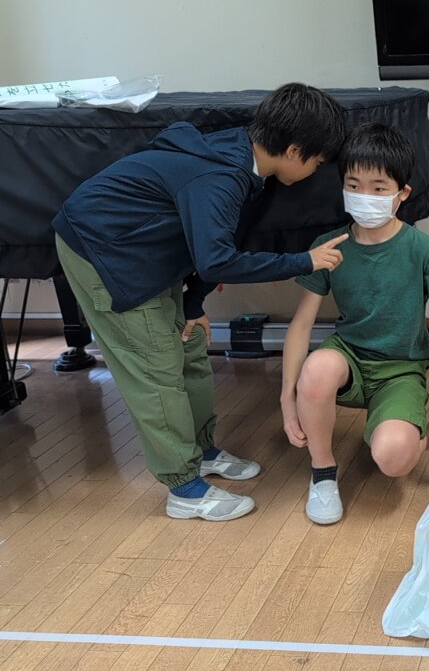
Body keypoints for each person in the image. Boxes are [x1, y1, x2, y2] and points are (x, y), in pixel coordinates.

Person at [53, 82, 348, 522]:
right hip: (103, 250)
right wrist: (303, 260)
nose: (317, 170)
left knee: (190, 344)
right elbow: (218, 260)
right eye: (318, 161)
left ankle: (202, 449)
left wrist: (194, 304)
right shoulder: (220, 177)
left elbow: (219, 246)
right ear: (293, 150)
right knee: (156, 370)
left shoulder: (245, 163)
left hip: (146, 248)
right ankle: (184, 489)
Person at [280, 122, 429, 525]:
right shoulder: (330, 247)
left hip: (402, 366)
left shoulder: (425, 250)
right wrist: (287, 397)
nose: (365, 196)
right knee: (317, 369)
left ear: (402, 193)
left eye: (379, 188)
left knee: (395, 457)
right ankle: (323, 472)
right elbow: (301, 324)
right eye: (354, 185)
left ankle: (420, 399)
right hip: (349, 356)